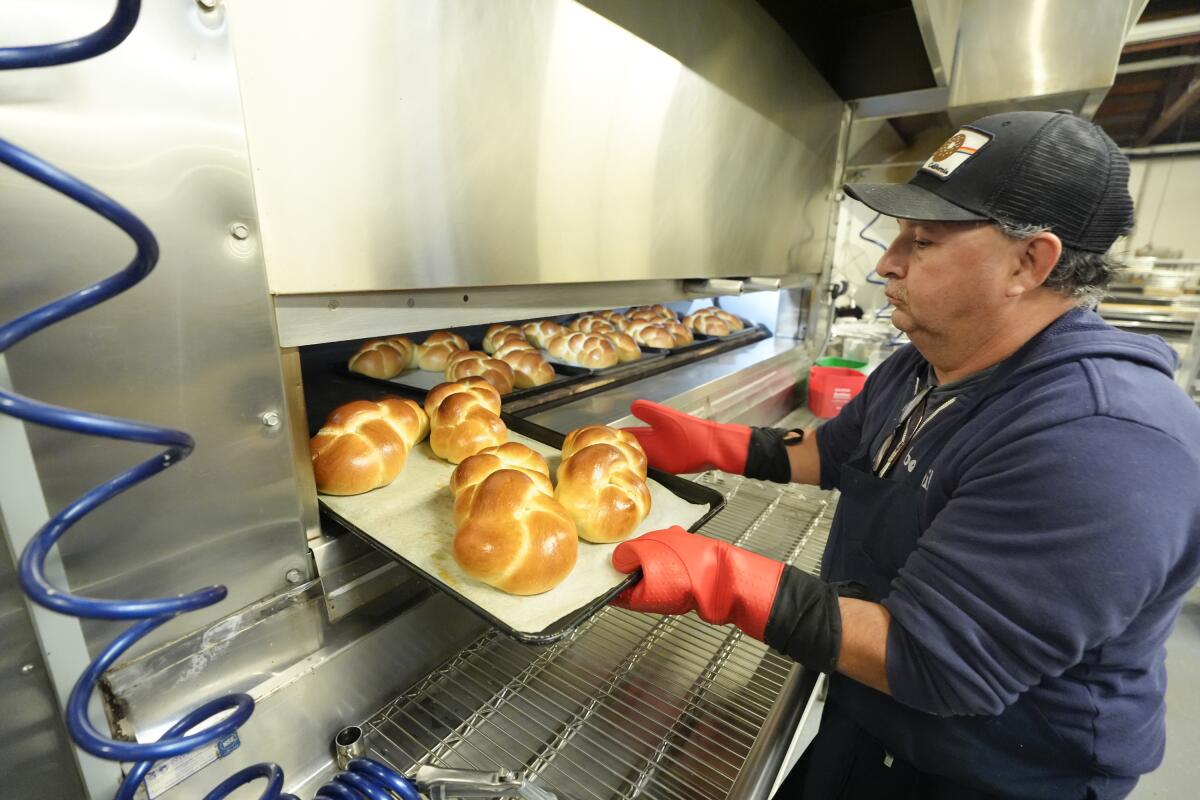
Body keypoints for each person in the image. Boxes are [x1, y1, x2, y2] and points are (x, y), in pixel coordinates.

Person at [610, 110, 1200, 799]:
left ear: (1028, 262)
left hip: (991, 770)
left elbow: (934, 659)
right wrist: (722, 443)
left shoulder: (1101, 443)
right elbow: (841, 450)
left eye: (923, 241)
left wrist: (724, 579)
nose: (888, 263)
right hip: (874, 713)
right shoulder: (933, 357)